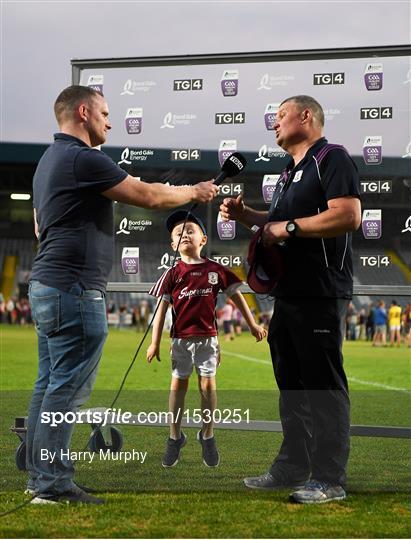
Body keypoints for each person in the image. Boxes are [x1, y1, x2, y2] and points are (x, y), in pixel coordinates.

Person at [27, 85, 219, 505]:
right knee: (65, 392)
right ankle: (51, 484)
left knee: (49, 387)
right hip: (73, 290)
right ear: (83, 112)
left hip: (49, 284)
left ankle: (42, 477)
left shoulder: (48, 161)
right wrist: (195, 192)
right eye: (105, 114)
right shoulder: (82, 157)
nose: (110, 122)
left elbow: (40, 227)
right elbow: (148, 195)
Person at [220, 95, 361, 504]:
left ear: (306, 116)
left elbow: (349, 215)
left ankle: (330, 477)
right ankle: (293, 465)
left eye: (280, 115)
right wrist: (248, 215)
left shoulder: (331, 157)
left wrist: (291, 228)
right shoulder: (288, 171)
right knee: (292, 386)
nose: (274, 123)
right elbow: (277, 224)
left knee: (322, 385)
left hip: (320, 290)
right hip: (289, 293)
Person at [146, 210, 267, 468]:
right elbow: (160, 312)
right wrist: (154, 342)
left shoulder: (216, 270)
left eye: (190, 230)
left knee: (208, 387)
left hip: (208, 341)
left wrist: (253, 323)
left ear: (203, 239)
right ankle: (174, 436)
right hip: (180, 341)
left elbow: (237, 298)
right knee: (178, 388)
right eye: (179, 233)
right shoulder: (172, 273)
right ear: (172, 245)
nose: (185, 234)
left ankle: (208, 435)